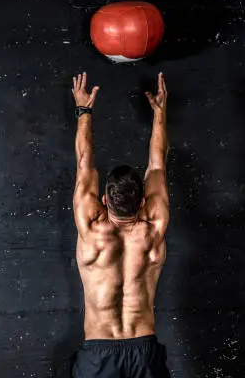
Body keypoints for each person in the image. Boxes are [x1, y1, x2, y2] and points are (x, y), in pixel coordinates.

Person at [70, 71, 171, 377]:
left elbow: (84, 161)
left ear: (104, 200)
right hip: (144, 350)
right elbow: (157, 163)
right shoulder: (153, 227)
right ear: (143, 202)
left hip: (99, 352)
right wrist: (159, 113)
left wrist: (84, 110)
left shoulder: (91, 226)